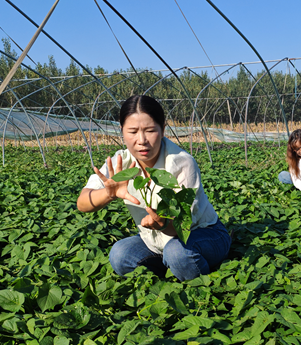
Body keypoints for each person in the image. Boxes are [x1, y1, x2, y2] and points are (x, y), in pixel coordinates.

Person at [77, 94, 231, 281]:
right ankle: (169, 272)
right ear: (122, 131)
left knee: (176, 252)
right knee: (120, 254)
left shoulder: (181, 162)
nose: (142, 140)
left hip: (202, 234)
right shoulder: (122, 162)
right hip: (155, 242)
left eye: (150, 130)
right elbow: (83, 203)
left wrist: (164, 224)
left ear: (163, 129)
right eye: (132, 131)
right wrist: (109, 194)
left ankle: (200, 283)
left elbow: (182, 227)